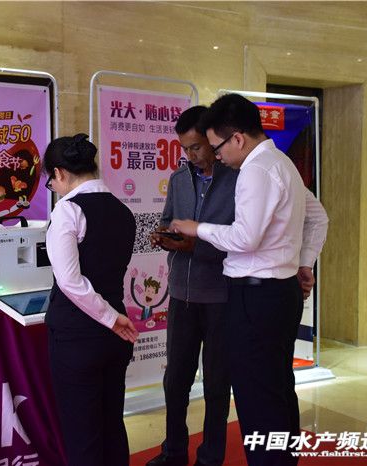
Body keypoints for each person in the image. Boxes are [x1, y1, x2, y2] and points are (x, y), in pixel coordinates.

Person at [170, 94, 328, 466]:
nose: (218, 156)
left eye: (217, 147)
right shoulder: (282, 163)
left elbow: (245, 238)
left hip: (254, 297)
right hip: (279, 291)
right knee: (277, 388)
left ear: (238, 138)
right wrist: (304, 262)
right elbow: (318, 217)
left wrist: (197, 228)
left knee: (256, 397)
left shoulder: (255, 170)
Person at [145, 106, 238, 466]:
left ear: (213, 140)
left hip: (221, 297)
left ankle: (210, 457)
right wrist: (163, 235)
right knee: (176, 381)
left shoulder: (238, 180)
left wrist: (195, 247)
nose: (190, 155)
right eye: (184, 148)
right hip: (181, 295)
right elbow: (170, 219)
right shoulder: (179, 179)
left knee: (216, 384)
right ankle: (174, 452)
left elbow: (242, 241)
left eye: (196, 147)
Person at [43, 133, 138, 466]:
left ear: (59, 173)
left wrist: (110, 317)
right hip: (114, 337)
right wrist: (113, 318)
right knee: (112, 427)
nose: (53, 188)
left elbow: (70, 281)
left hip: (77, 338)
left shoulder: (67, 211)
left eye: (51, 181)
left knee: (82, 435)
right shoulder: (123, 212)